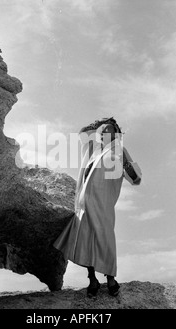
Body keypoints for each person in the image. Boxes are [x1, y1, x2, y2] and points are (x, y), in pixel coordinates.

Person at [53, 117, 124, 297]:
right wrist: (101, 123)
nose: (105, 134)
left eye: (110, 131)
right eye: (103, 131)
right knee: (85, 240)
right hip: (85, 203)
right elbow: (83, 133)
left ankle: (111, 278)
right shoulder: (93, 151)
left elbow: (134, 175)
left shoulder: (119, 152)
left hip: (103, 205)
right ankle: (92, 279)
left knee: (105, 239)